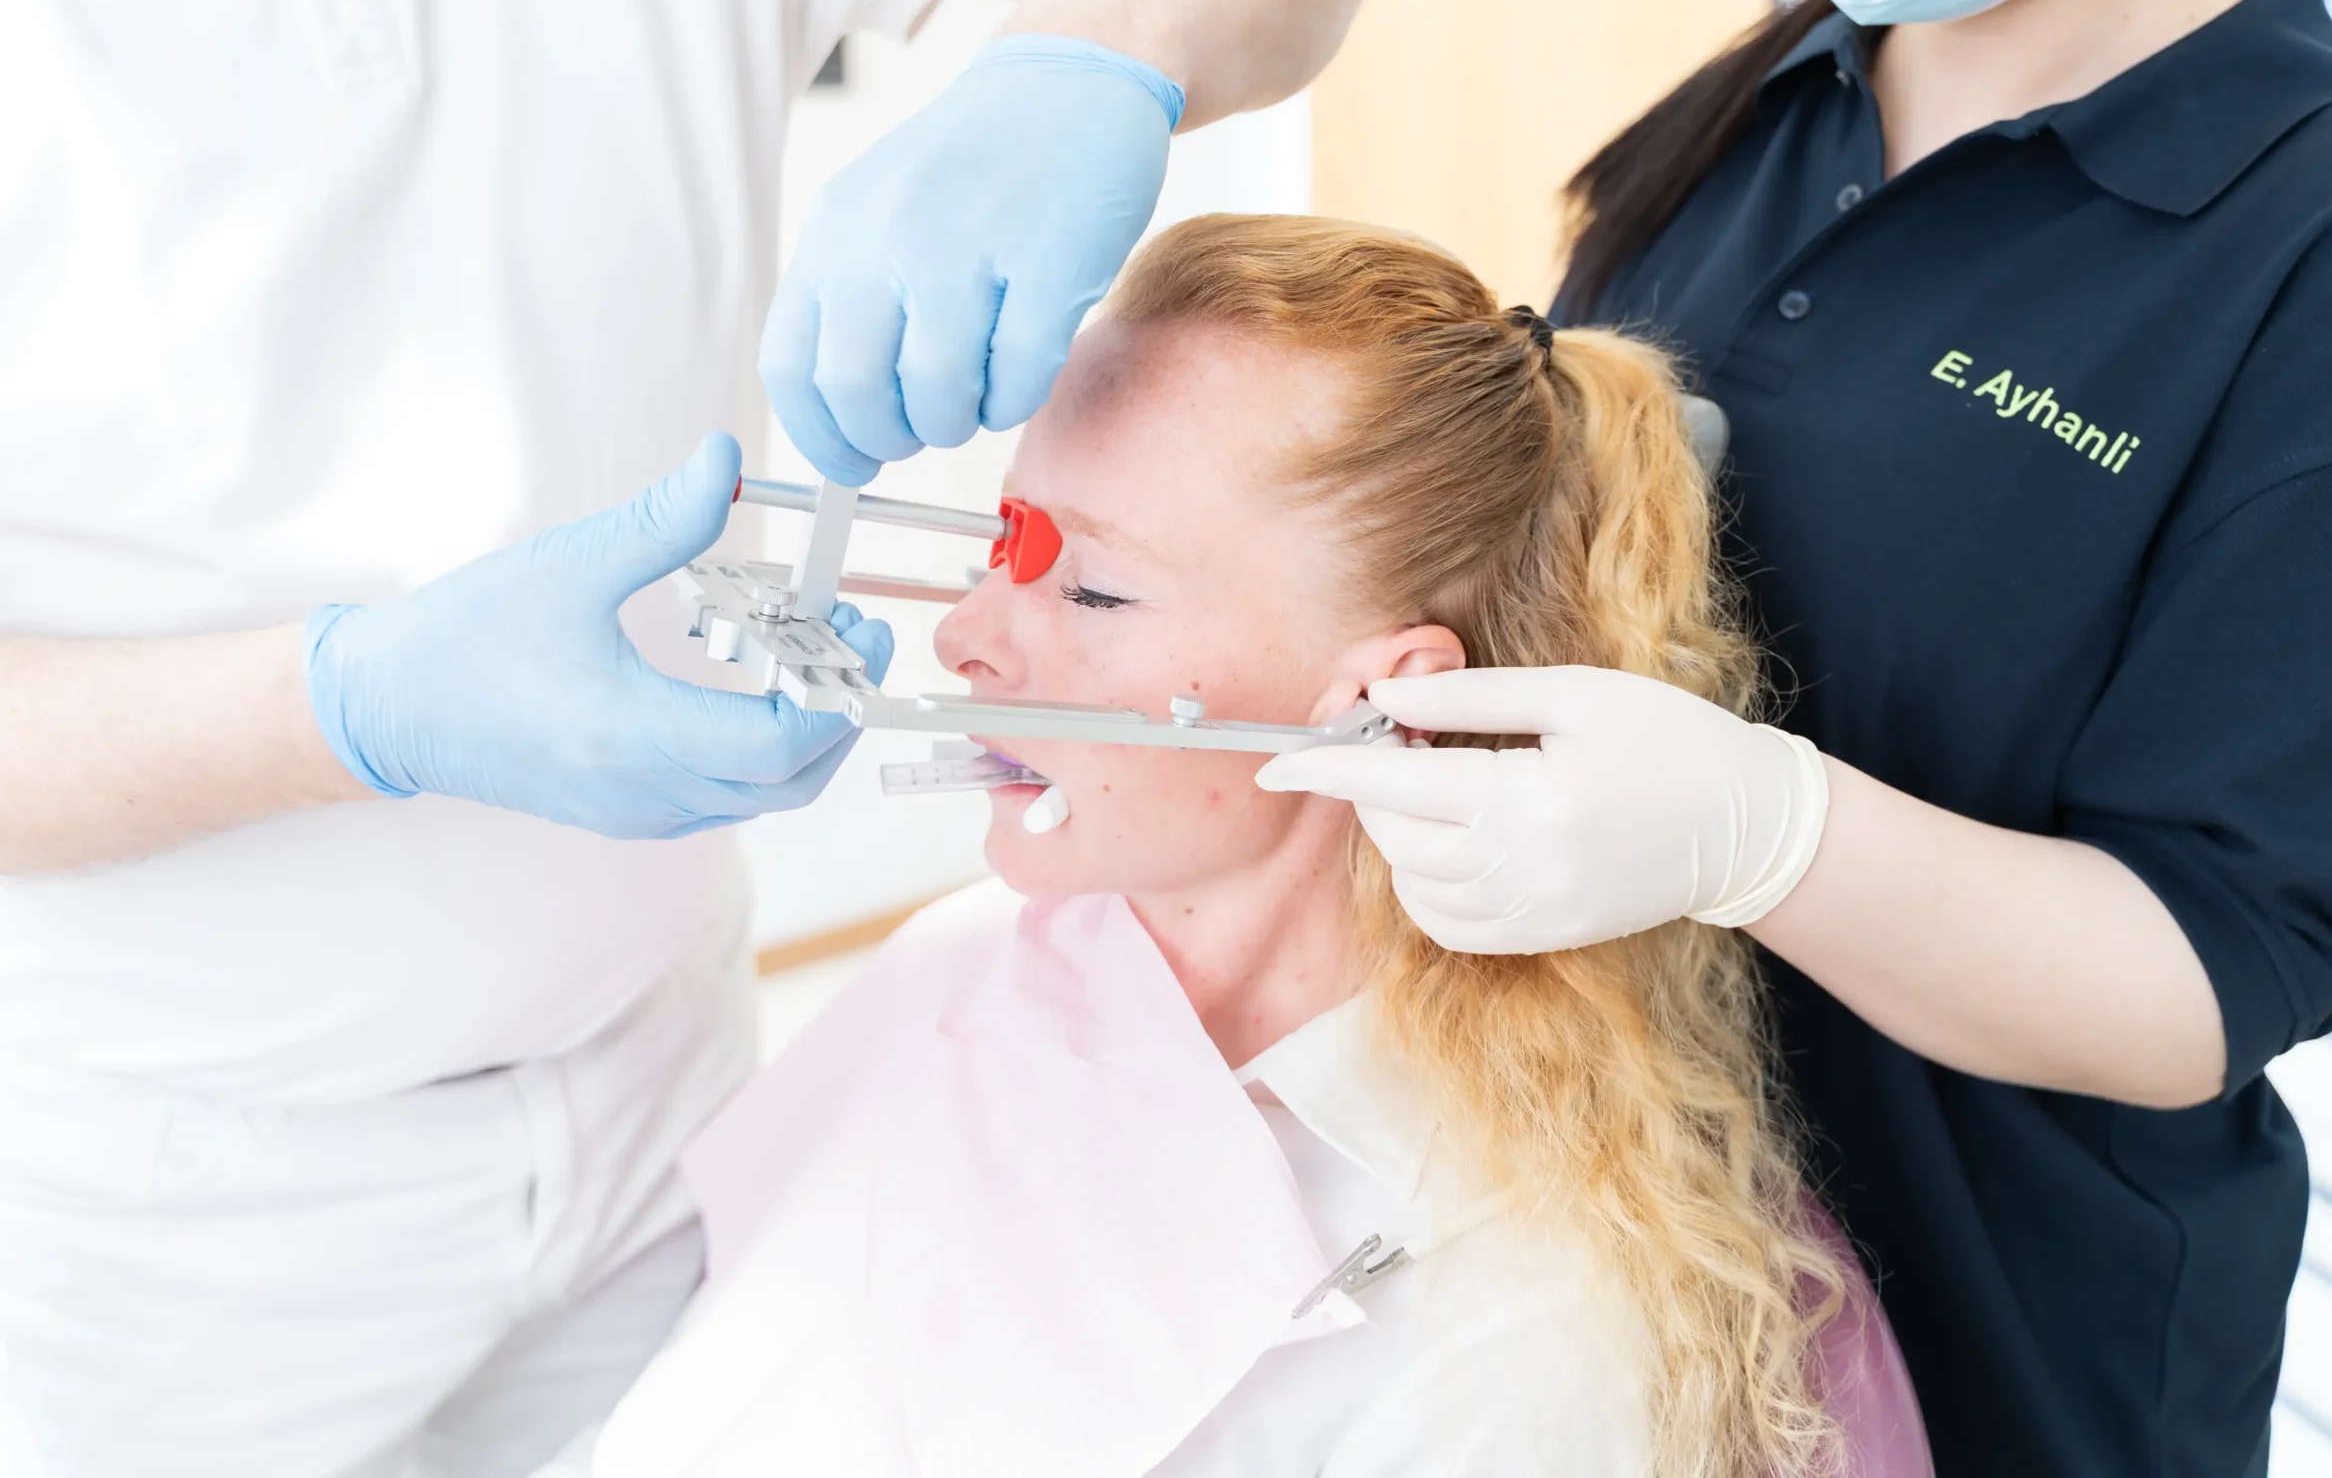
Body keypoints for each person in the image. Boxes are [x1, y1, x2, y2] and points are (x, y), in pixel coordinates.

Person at [0, 0, 1384, 1472]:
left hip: (665, 1091)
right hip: (155, 1215)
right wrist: (343, 704)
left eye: (1094, 583)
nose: (972, 638)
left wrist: (1094, 45)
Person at [1256, 0, 2332, 1474]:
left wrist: (1763, 833)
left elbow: (2202, 972)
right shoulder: (1742, 121)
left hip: (2004, 1365)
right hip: (1621, 1311)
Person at [538, 213, 1929, 1478]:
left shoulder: (1525, 1323)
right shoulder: (961, 965)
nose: (963, 637)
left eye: (1093, 590)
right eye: (1002, 545)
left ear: (1380, 698)